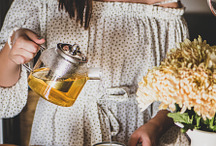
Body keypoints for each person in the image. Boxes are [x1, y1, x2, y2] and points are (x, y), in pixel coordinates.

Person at [0, 0, 190, 145]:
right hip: (61, 133)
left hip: (139, 131)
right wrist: (12, 50)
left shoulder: (161, 4)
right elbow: (4, 103)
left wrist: (156, 126)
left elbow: (180, 88)